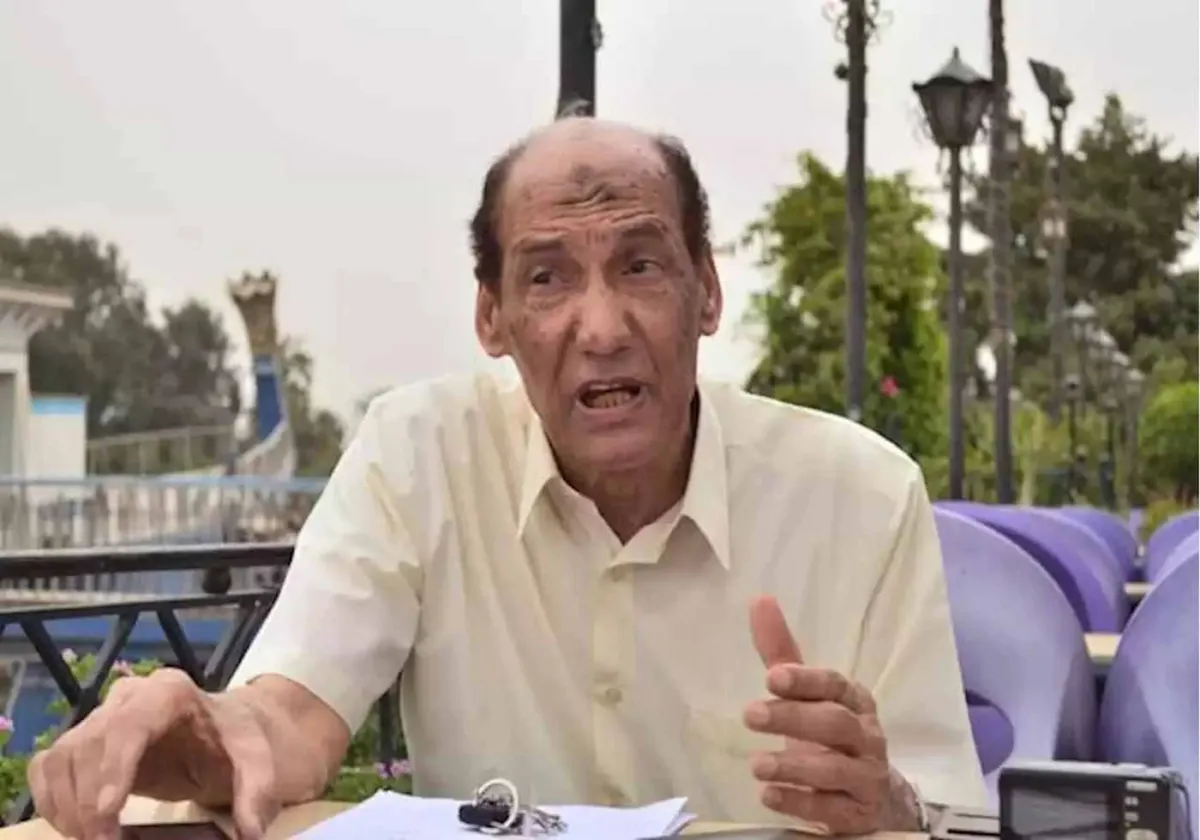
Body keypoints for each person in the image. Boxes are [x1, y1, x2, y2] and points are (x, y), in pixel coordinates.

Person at [28, 114, 986, 840]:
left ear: (707, 292)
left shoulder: (863, 497)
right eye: (547, 278)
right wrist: (203, 729)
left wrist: (885, 803)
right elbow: (289, 719)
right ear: (491, 317)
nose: (601, 328)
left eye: (641, 266)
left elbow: (950, 819)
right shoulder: (416, 453)